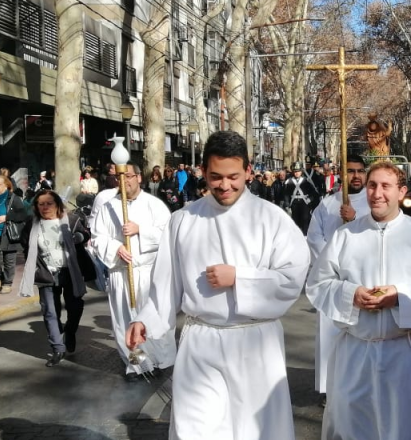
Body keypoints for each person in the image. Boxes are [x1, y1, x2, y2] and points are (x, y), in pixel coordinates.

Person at [126, 131, 310, 439]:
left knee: (255, 429)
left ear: (249, 171)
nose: (225, 186)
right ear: (202, 172)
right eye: (216, 177)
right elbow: (165, 284)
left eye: (233, 177)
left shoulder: (272, 219)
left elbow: (292, 276)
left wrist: (240, 278)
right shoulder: (184, 220)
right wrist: (145, 319)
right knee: (195, 428)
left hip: (255, 344)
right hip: (201, 341)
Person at [306, 161, 411, 440]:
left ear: (401, 192)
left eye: (386, 186)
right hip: (355, 351)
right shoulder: (346, 235)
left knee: (398, 431)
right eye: (372, 185)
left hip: (402, 353)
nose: (377, 193)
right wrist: (350, 294)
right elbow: (318, 284)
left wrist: (400, 297)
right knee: (351, 427)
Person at [91, 163, 176, 381]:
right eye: (120, 177)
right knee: (124, 320)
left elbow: (168, 235)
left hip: (148, 273)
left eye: (129, 176)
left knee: (151, 318)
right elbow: (98, 237)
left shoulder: (154, 205)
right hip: (122, 273)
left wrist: (141, 231)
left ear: (138, 177)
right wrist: (115, 248)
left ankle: (157, 361)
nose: (124, 181)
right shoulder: (108, 207)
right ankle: (135, 365)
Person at [306, 155, 372, 398]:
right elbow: (314, 237)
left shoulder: (371, 202)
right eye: (350, 171)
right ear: (341, 174)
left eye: (360, 171)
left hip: (362, 279)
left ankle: (359, 387)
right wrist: (330, 264)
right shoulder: (327, 204)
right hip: (332, 280)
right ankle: (329, 388)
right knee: (330, 335)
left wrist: (355, 219)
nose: (356, 176)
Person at [18, 190, 94, 367]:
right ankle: (57, 348)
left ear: (58, 204)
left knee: (74, 306)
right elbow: (25, 243)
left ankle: (70, 330)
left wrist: (79, 237)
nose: (45, 207)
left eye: (49, 203)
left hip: (70, 272)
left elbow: (86, 234)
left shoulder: (72, 220)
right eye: (40, 204)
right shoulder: (32, 224)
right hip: (46, 273)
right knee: (50, 311)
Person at [0, 175, 30, 294]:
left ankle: (7, 283)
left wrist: (6, 217)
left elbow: (23, 215)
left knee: (9, 260)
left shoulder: (13, 198)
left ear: (6, 186)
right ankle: (0, 277)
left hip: (8, 233)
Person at [285, 166, 320, 235]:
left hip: (304, 203)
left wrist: (310, 199)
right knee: (295, 221)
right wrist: (287, 204)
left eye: (298, 171)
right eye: (295, 171)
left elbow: (313, 192)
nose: (297, 173)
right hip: (294, 204)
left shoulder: (306, 180)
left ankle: (305, 235)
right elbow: (286, 194)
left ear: (301, 172)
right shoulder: (289, 181)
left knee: (305, 220)